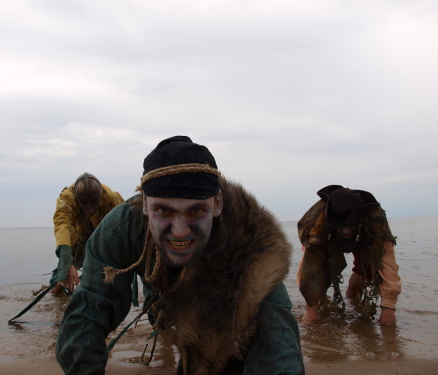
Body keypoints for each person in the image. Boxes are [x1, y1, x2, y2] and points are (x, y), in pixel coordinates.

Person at [56, 136, 305, 374]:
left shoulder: (248, 239)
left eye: (196, 210)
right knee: (160, 304)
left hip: (220, 266)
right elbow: (88, 312)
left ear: (217, 204)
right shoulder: (122, 228)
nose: (180, 231)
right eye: (163, 211)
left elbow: (277, 346)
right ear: (144, 205)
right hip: (156, 267)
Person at [296, 185, 401, 325]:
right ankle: (319, 301)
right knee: (318, 276)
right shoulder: (317, 222)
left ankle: (352, 296)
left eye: (349, 225)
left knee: (367, 270)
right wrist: (310, 312)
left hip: (363, 236)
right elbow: (310, 269)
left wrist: (388, 307)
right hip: (328, 238)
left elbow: (387, 262)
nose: (345, 231)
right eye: (341, 225)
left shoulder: (375, 220)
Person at [50, 172, 124, 295]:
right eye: (85, 203)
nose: (89, 208)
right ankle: (56, 297)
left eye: (93, 202)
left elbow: (123, 224)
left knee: (106, 273)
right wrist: (67, 262)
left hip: (102, 236)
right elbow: (62, 225)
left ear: (99, 196)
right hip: (77, 238)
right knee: (63, 274)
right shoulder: (67, 198)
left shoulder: (111, 197)